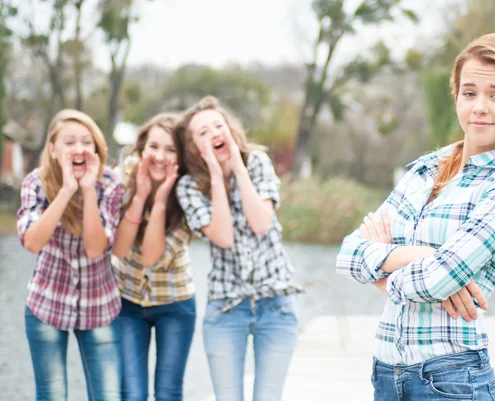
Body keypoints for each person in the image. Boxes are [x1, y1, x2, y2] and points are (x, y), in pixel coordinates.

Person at [336, 32, 495, 400]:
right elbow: (348, 254)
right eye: (469, 92)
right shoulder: (426, 168)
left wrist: (388, 263)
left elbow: (434, 281)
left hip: (451, 379)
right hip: (386, 375)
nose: (480, 106)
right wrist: (425, 258)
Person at [175, 96, 302, 401]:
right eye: (203, 132)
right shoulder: (189, 187)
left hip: (276, 305)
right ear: (192, 146)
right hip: (226, 309)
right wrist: (217, 176)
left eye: (218, 126)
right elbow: (223, 237)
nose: (214, 134)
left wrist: (236, 168)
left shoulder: (257, 163)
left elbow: (261, 223)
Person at [17, 109, 124, 401]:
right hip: (46, 304)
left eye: (87, 142)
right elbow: (32, 243)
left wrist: (88, 190)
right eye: (69, 142)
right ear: (52, 150)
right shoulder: (35, 182)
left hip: (99, 305)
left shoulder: (110, 183)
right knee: (51, 395)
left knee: (109, 396)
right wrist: (66, 190)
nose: (79, 149)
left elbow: (94, 249)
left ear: (97, 149)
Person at [112, 113, 196, 401]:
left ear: (182, 156)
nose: (160, 156)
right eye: (154, 147)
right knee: (131, 394)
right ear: (141, 149)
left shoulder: (189, 192)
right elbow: (118, 250)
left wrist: (160, 202)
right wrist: (140, 197)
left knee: (167, 394)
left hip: (175, 303)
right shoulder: (122, 179)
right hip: (127, 301)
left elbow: (151, 258)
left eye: (171, 150)